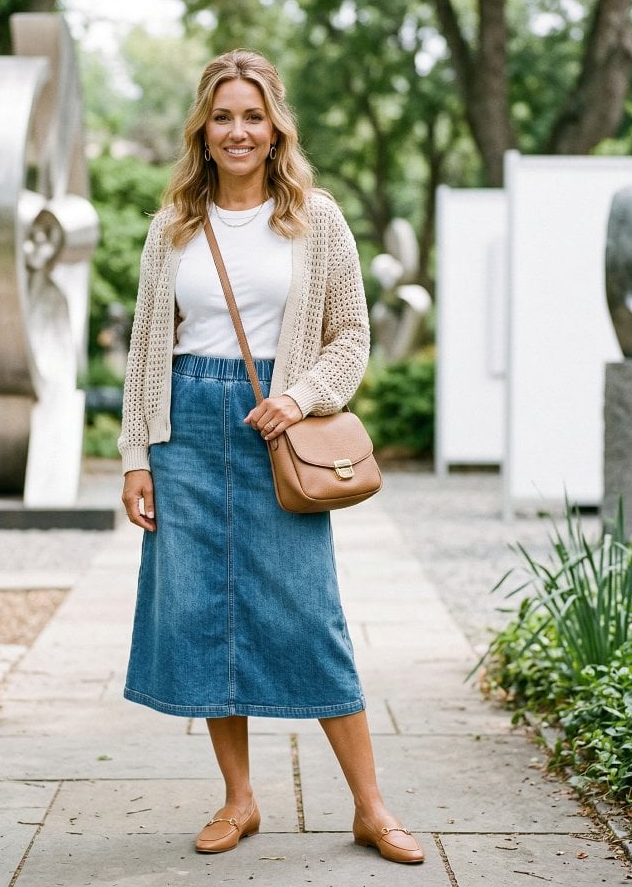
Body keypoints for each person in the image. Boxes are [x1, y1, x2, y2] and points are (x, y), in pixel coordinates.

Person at [118, 48, 423, 866]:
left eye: (253, 115)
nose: (239, 130)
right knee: (205, 613)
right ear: (203, 130)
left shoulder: (316, 219)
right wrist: (136, 456)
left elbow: (351, 334)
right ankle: (240, 800)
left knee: (308, 614)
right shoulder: (172, 226)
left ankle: (370, 807)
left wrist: (302, 395)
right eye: (224, 116)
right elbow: (149, 348)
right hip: (186, 430)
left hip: (273, 428)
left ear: (274, 125)